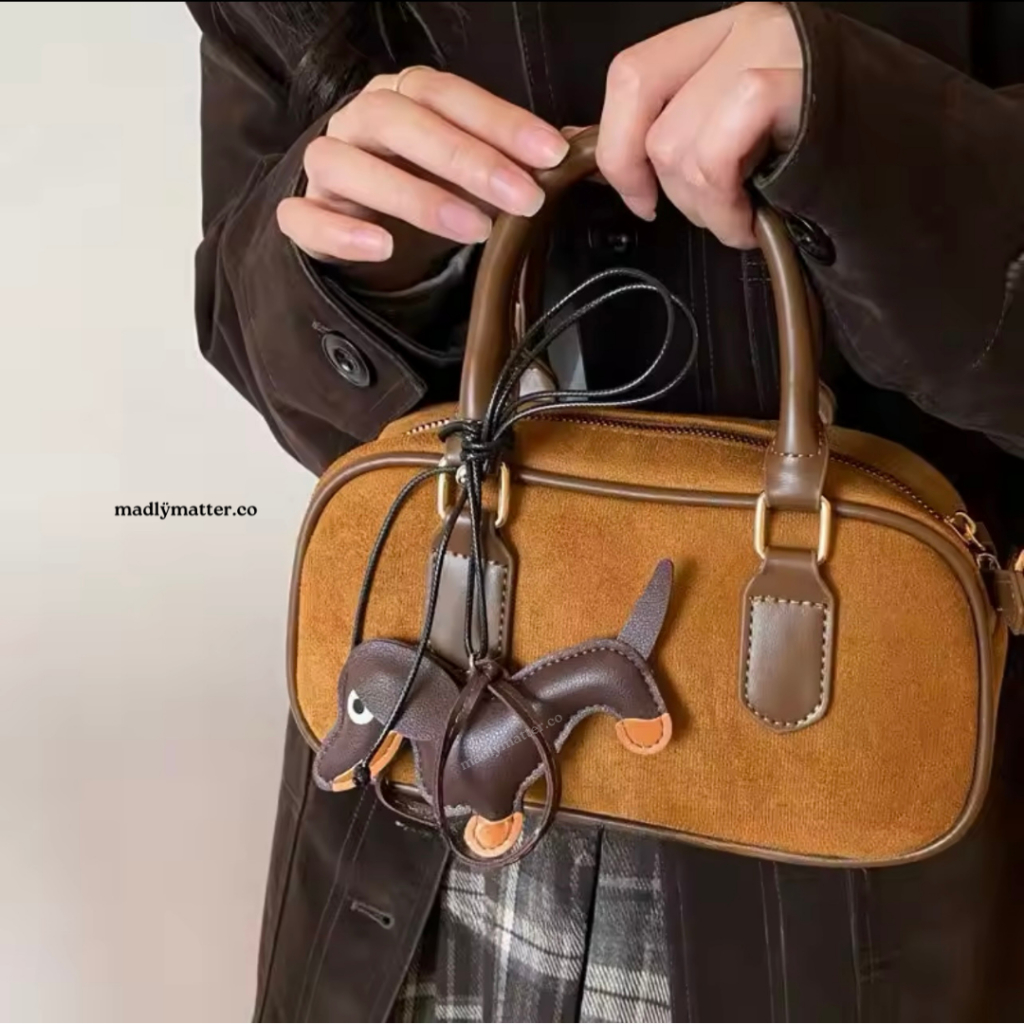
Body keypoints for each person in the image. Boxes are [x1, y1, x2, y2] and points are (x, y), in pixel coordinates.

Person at [186, 2, 1024, 1019]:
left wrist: (884, 141)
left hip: (865, 886)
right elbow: (247, 327)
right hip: (421, 862)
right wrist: (362, 271)